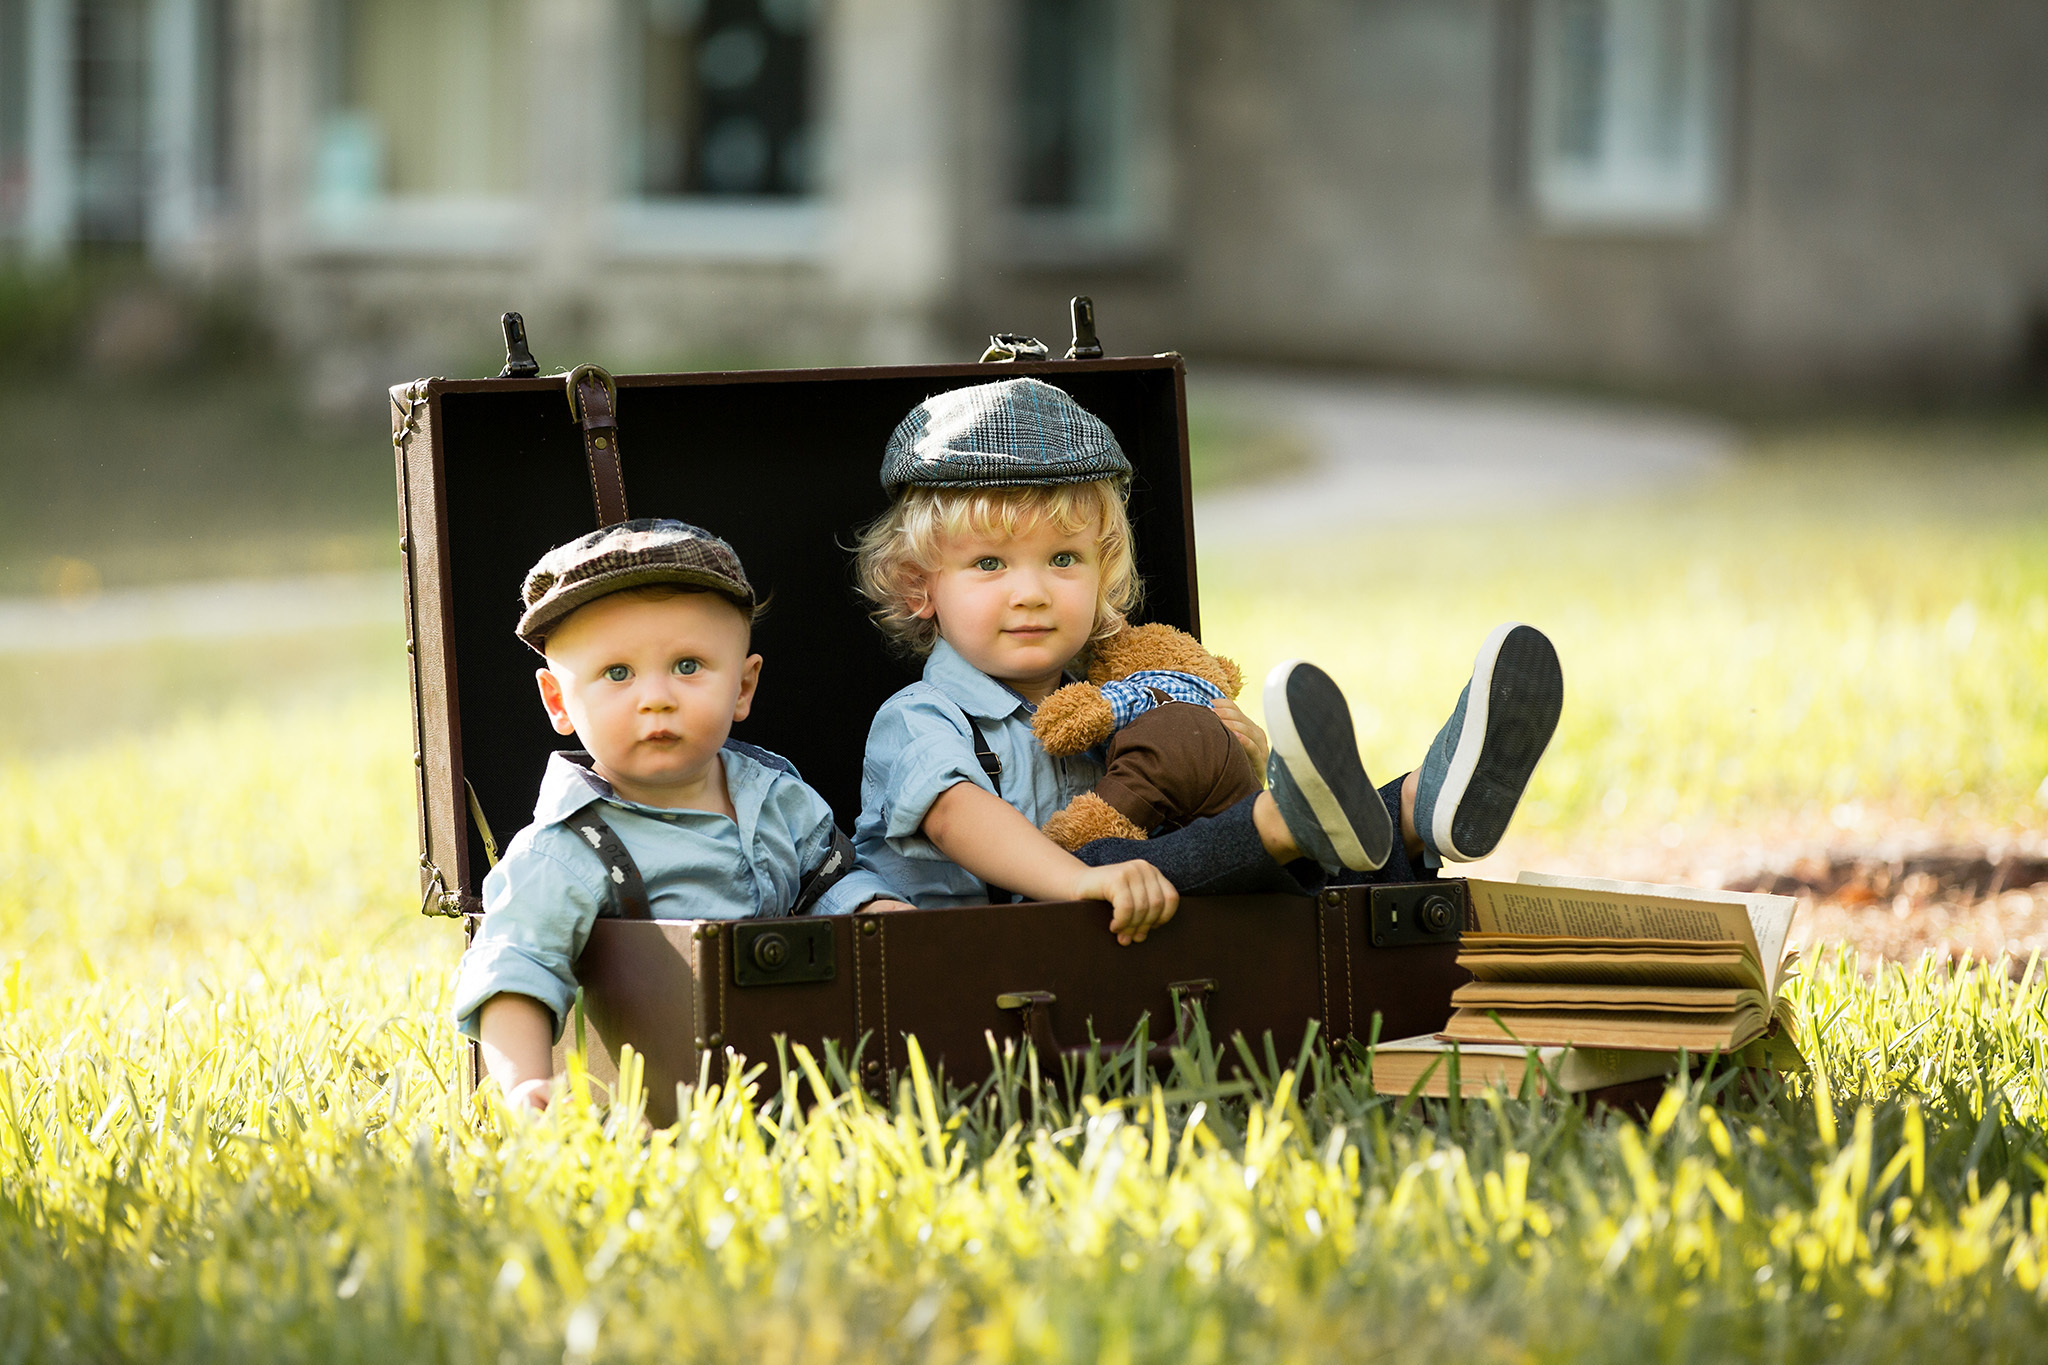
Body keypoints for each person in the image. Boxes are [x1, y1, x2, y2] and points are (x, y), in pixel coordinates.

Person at [851, 376, 1562, 942]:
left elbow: (1175, 802)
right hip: (997, 947)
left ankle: (1413, 804)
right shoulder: (919, 717)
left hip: (1140, 927)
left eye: (1063, 558)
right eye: (989, 564)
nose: (1031, 592)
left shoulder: (1114, 695)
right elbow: (958, 818)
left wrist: (1234, 760)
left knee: (1237, 868)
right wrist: (1079, 882)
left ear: (1104, 576)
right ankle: (1290, 818)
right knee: (1119, 862)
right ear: (921, 586)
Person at [452, 519, 907, 1111]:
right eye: (618, 673)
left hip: (805, 1070)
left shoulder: (777, 797)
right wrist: (525, 1085)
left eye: (688, 666)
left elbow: (831, 878)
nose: (657, 696)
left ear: (743, 688)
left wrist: (877, 909)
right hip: (668, 1097)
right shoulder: (569, 848)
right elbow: (516, 967)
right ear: (558, 702)